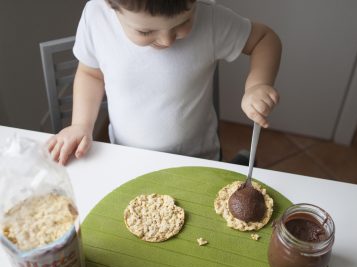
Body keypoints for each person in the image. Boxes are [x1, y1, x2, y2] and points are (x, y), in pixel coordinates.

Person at [48, 0, 281, 165]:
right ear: (112, 4)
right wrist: (80, 124)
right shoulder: (96, 18)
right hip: (127, 158)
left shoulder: (210, 20)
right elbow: (91, 74)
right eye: (145, 31)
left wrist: (257, 85)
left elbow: (264, 39)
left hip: (198, 159)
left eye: (183, 23)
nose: (167, 40)